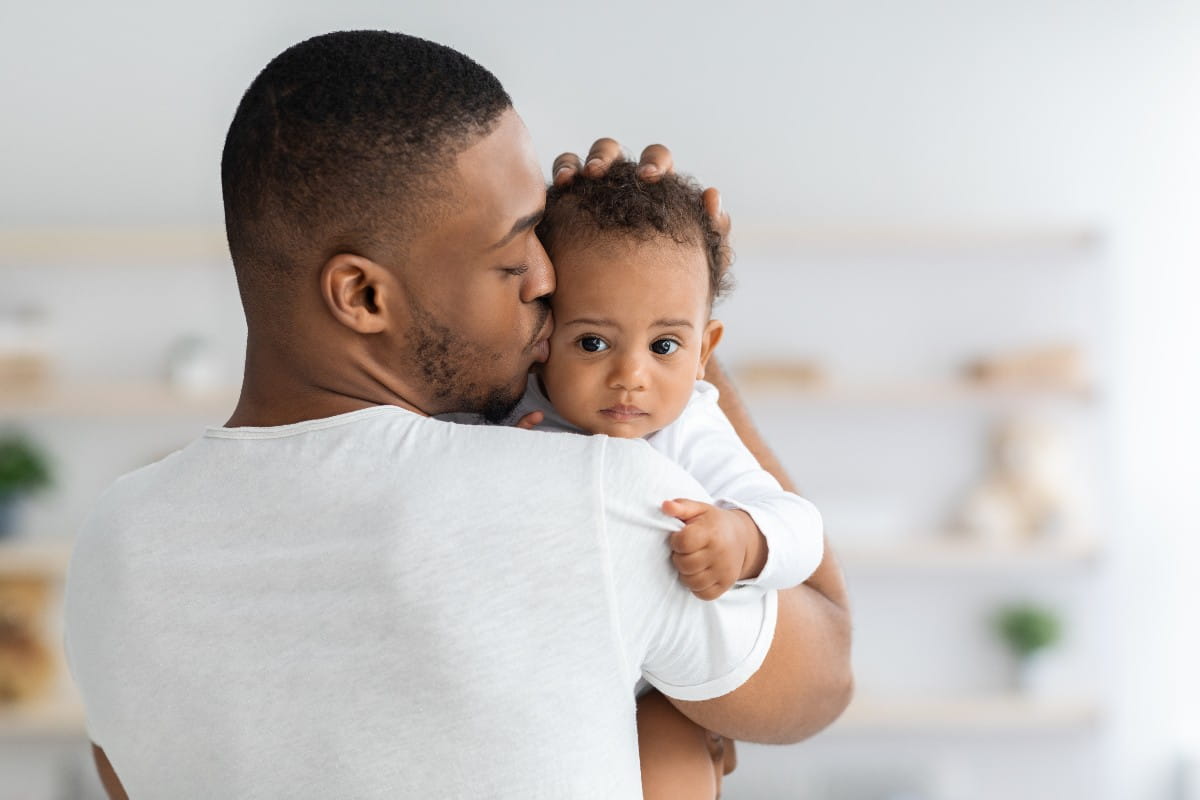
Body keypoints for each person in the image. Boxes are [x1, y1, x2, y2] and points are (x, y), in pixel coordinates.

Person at [62, 30, 852, 799]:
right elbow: (825, 673)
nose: (548, 279)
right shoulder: (597, 498)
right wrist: (673, 312)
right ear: (364, 296)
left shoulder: (114, 542)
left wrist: (623, 301)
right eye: (514, 255)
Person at [477, 159, 828, 797]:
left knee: (669, 743)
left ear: (704, 351)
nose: (631, 376)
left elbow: (802, 529)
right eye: (593, 343)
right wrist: (498, 464)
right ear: (541, 337)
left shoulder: (688, 425)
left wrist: (744, 539)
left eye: (664, 346)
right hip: (551, 689)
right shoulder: (517, 411)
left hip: (661, 688)